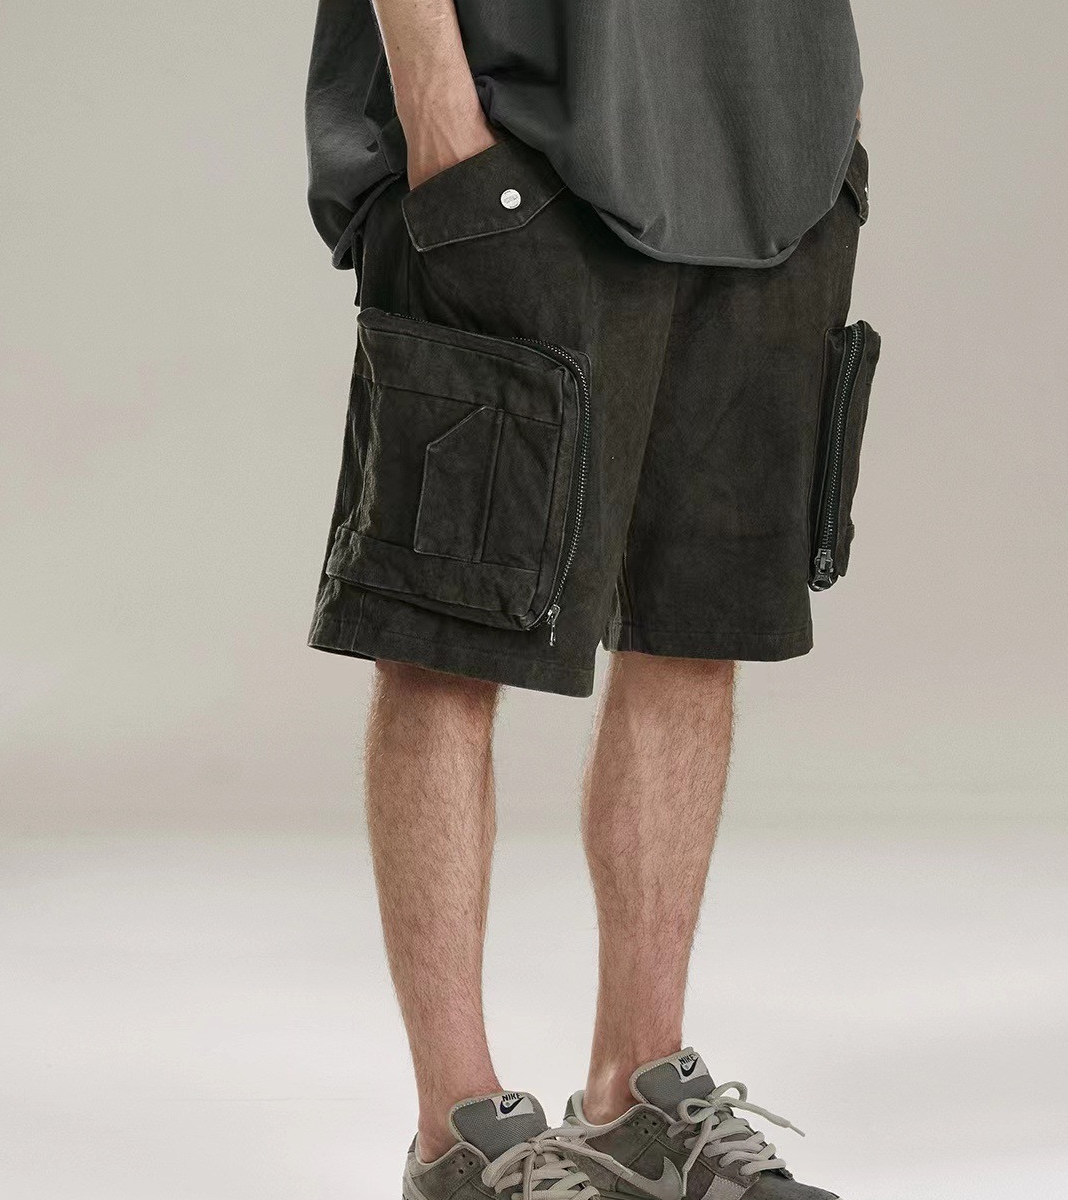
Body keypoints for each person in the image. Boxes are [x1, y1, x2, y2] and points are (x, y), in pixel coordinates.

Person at [304, 3, 876, 1199]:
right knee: (451, 637)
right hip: (515, 145)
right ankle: (460, 1137)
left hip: (773, 170)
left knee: (696, 633)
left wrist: (823, 119)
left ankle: (639, 1101)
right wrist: (438, 116)